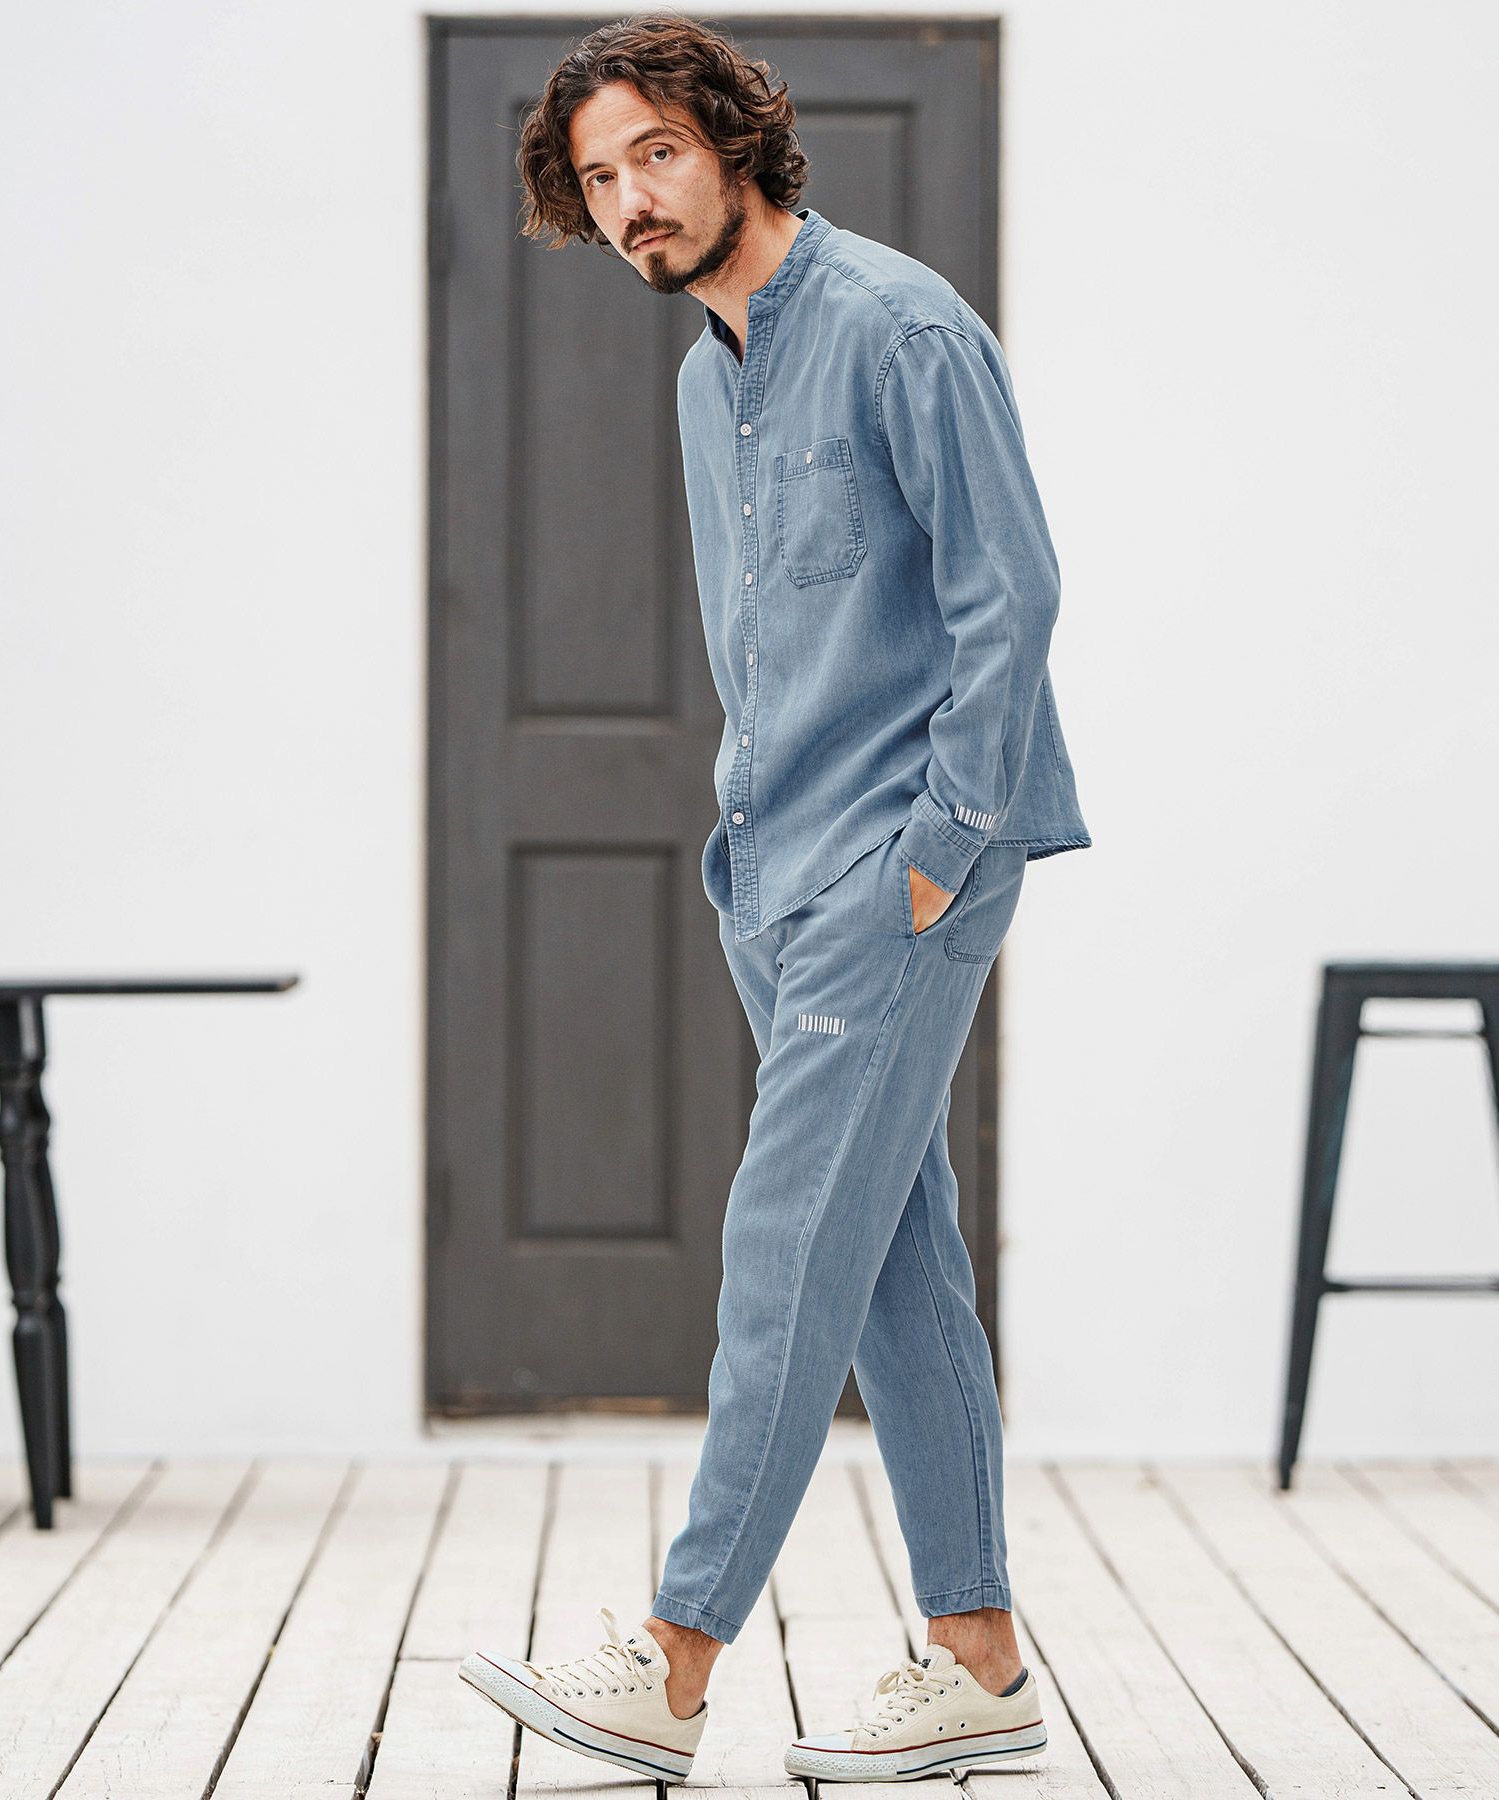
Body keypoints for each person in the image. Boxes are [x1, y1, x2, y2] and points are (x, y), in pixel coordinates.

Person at [457, 12, 1089, 1783]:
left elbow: (1013, 597)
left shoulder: (901, 327)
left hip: (900, 871)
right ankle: (979, 1664)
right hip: (779, 872)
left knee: (784, 1248)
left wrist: (941, 849)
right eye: (599, 179)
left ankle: (671, 1662)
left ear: (737, 138)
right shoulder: (703, 379)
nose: (632, 201)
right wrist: (752, 853)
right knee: (893, 1264)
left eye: (656, 152)